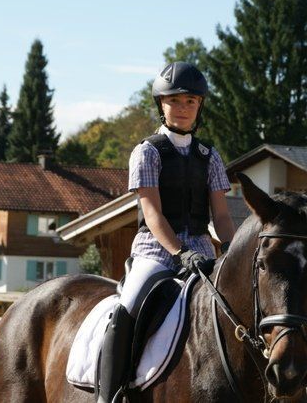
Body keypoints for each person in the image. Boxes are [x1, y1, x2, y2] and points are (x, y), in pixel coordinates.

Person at [97, 62, 236, 403]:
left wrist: (232, 251)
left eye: (191, 101)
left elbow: (221, 216)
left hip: (202, 251)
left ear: (200, 106)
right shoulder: (148, 152)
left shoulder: (209, 156)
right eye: (175, 100)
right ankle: (110, 393)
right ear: (161, 104)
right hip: (156, 252)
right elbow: (153, 214)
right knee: (127, 307)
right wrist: (180, 253)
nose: (183, 108)